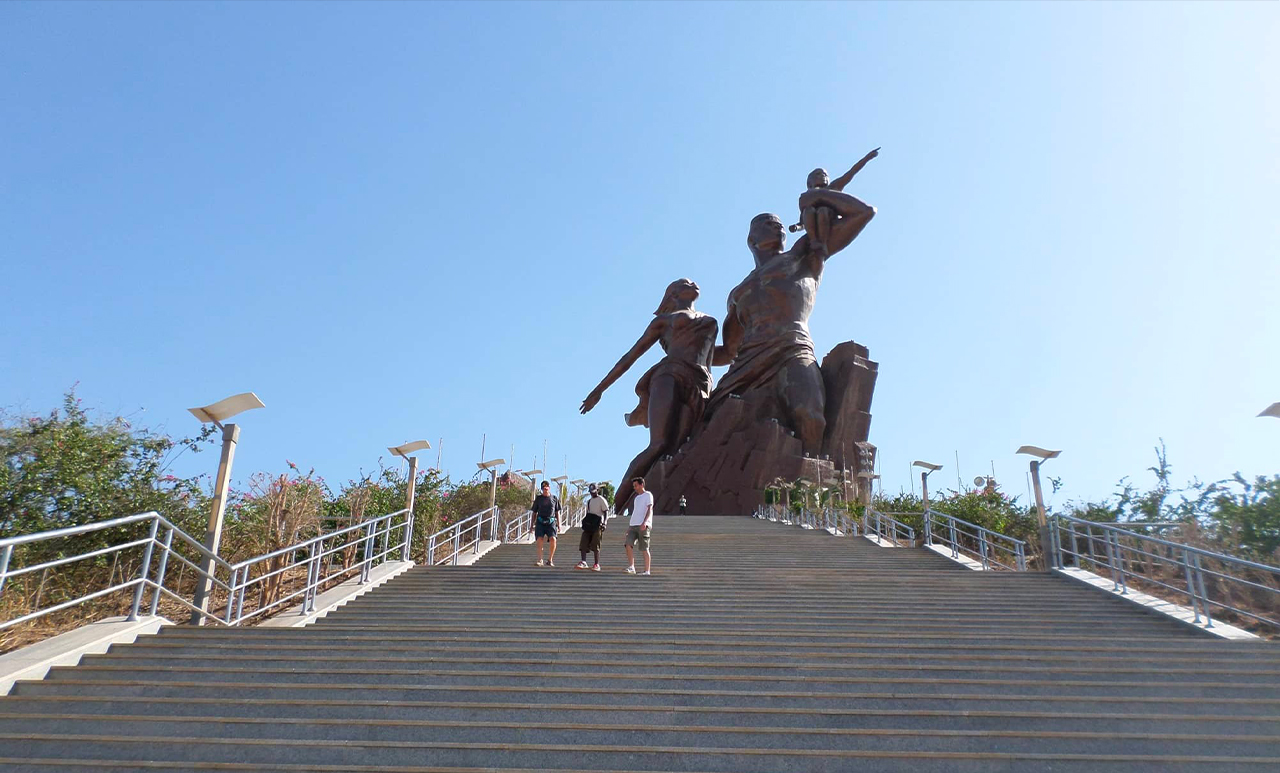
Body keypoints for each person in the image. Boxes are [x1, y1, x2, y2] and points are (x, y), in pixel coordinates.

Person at [580, 279, 718, 515]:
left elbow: (716, 356)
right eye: (685, 282)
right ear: (673, 294)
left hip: (700, 382)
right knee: (659, 444)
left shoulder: (709, 321)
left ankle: (664, 499)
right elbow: (630, 356)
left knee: (681, 446)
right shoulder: (664, 321)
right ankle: (615, 506)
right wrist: (599, 389)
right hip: (670, 375)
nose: (693, 283)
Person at [791, 148, 879, 256]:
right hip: (812, 221)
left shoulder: (833, 188)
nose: (823, 176)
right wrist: (797, 227)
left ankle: (822, 243)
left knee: (823, 210)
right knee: (808, 211)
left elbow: (851, 173)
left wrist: (866, 158)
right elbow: (802, 221)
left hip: (828, 217)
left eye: (825, 175)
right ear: (810, 183)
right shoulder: (806, 197)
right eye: (818, 174)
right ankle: (814, 240)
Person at [624, 477, 654, 575]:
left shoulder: (648, 495)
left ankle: (647, 571)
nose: (635, 488)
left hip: (643, 525)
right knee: (628, 544)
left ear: (642, 485)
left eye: (636, 486)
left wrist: (645, 522)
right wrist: (629, 527)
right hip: (633, 525)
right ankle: (631, 566)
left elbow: (650, 509)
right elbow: (635, 512)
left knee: (644, 548)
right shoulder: (636, 498)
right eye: (634, 486)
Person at [577, 484, 609, 571]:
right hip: (589, 523)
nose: (592, 493)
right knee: (584, 541)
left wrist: (604, 523)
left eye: (594, 492)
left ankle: (596, 564)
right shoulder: (589, 501)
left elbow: (606, 512)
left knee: (596, 544)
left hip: (598, 523)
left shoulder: (601, 500)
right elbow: (588, 512)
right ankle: (583, 561)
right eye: (591, 492)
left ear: (597, 490)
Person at [531, 480, 561, 567]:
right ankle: (540, 559)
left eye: (547, 488)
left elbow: (557, 512)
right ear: (542, 489)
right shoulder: (538, 499)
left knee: (553, 539)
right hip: (540, 521)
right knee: (539, 539)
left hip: (551, 522)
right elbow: (534, 512)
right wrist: (531, 525)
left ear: (549, 488)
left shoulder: (554, 498)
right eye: (544, 488)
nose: (545, 489)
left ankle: (550, 559)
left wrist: (559, 524)